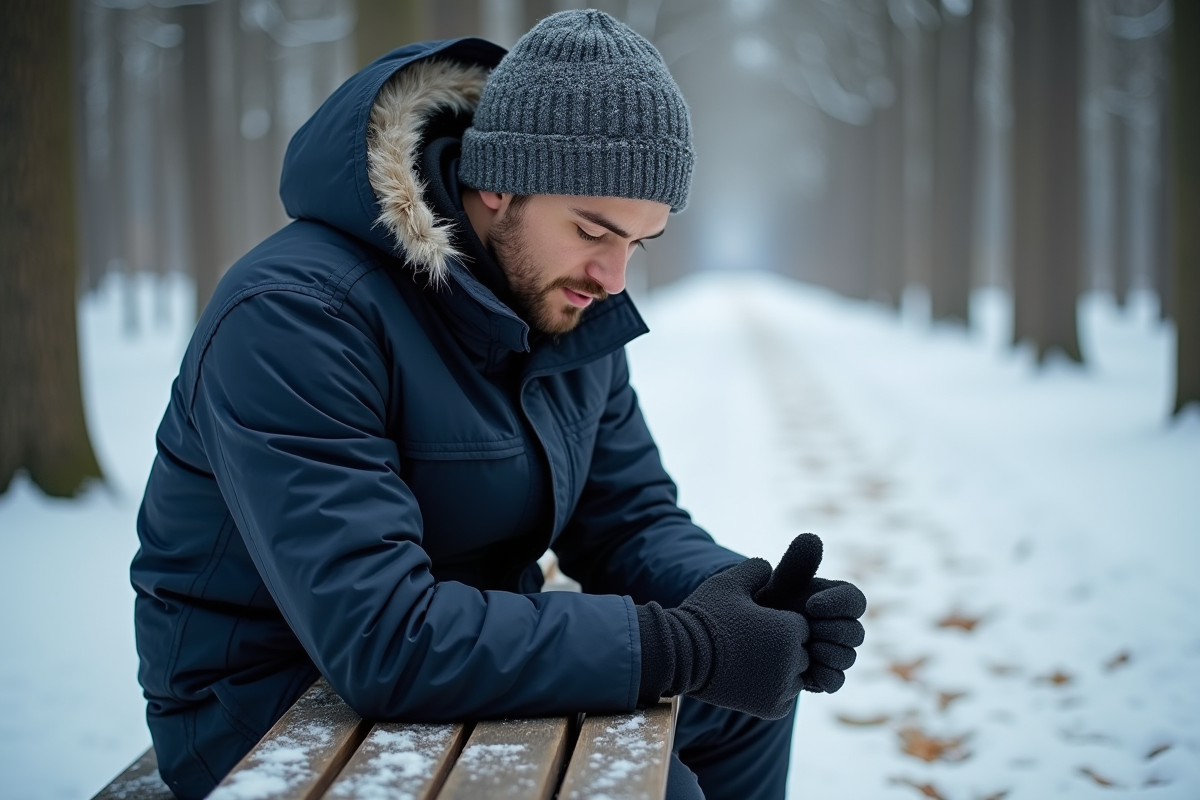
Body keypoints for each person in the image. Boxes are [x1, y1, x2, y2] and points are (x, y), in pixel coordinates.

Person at [131, 10, 866, 799]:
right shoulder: (297, 315)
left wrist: (742, 600)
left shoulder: (564, 304)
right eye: (593, 229)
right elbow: (385, 637)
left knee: (749, 708)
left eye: (638, 244)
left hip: (447, 669)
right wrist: (683, 645)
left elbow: (628, 520)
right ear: (498, 182)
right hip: (276, 709)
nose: (613, 276)